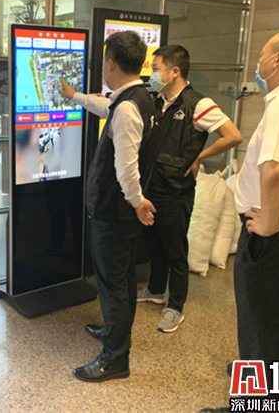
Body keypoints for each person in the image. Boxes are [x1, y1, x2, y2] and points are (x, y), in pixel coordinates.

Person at [202, 28, 279, 413]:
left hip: (276, 228)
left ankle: (258, 404)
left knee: (259, 320)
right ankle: (269, 380)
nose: (258, 65)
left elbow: (274, 169)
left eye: (262, 57)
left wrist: (270, 222)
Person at [59, 30, 159, 383]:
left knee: (112, 282)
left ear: (111, 64)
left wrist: (137, 201)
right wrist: (75, 97)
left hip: (114, 211)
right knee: (123, 277)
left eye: (104, 60)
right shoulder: (138, 98)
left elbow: (125, 168)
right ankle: (115, 333)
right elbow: (107, 107)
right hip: (123, 212)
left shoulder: (129, 107)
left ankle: (115, 358)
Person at [138, 45, 242, 333]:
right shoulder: (158, 100)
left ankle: (175, 307)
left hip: (176, 190)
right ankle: (156, 291)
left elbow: (233, 136)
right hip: (151, 187)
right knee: (154, 245)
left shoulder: (198, 104)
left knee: (175, 251)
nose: (152, 74)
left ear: (174, 72)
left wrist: (199, 156)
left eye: (156, 69)